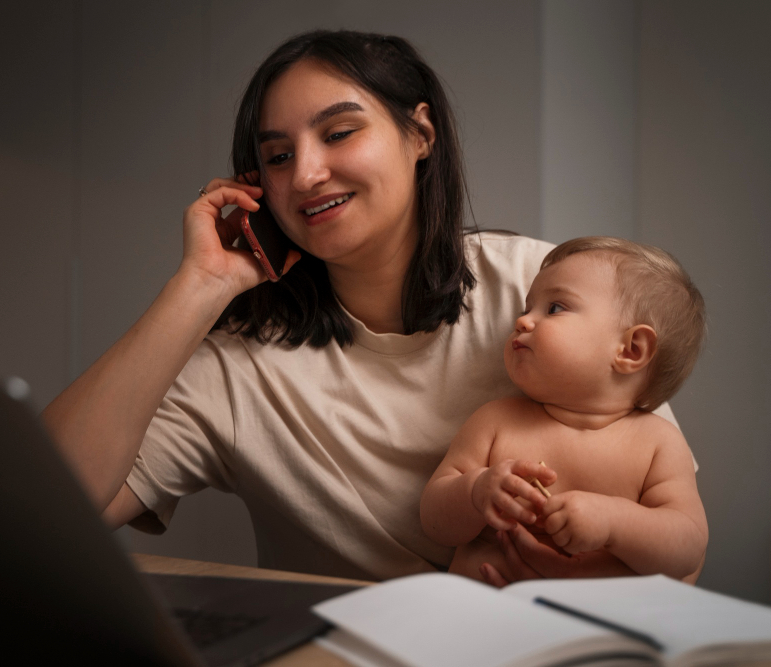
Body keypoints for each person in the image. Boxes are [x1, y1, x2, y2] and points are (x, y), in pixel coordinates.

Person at [41, 30, 698, 582]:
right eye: (278, 156)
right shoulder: (238, 367)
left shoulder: (542, 286)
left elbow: (678, 557)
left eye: (340, 132)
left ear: (421, 134)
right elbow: (46, 508)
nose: (305, 174)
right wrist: (200, 285)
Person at [420, 237, 708, 585]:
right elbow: (433, 523)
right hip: (480, 610)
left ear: (631, 349)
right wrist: (475, 491)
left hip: (593, 617)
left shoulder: (658, 444)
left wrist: (614, 523)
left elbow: (688, 548)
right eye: (526, 309)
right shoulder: (496, 421)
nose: (523, 321)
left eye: (554, 308)